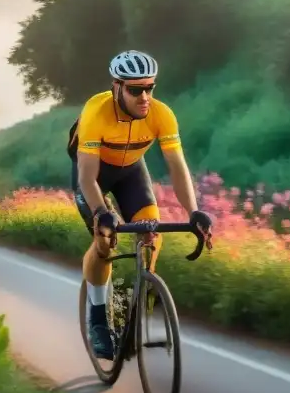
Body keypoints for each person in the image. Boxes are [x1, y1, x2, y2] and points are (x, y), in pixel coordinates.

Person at [67, 50, 213, 360]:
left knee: (151, 236)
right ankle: (97, 318)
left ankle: (139, 308)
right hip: (94, 176)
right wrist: (100, 213)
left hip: (132, 172)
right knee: (104, 240)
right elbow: (87, 177)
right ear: (116, 87)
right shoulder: (96, 112)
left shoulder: (162, 114)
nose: (145, 96)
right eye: (135, 89)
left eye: (150, 87)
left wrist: (193, 211)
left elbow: (177, 166)